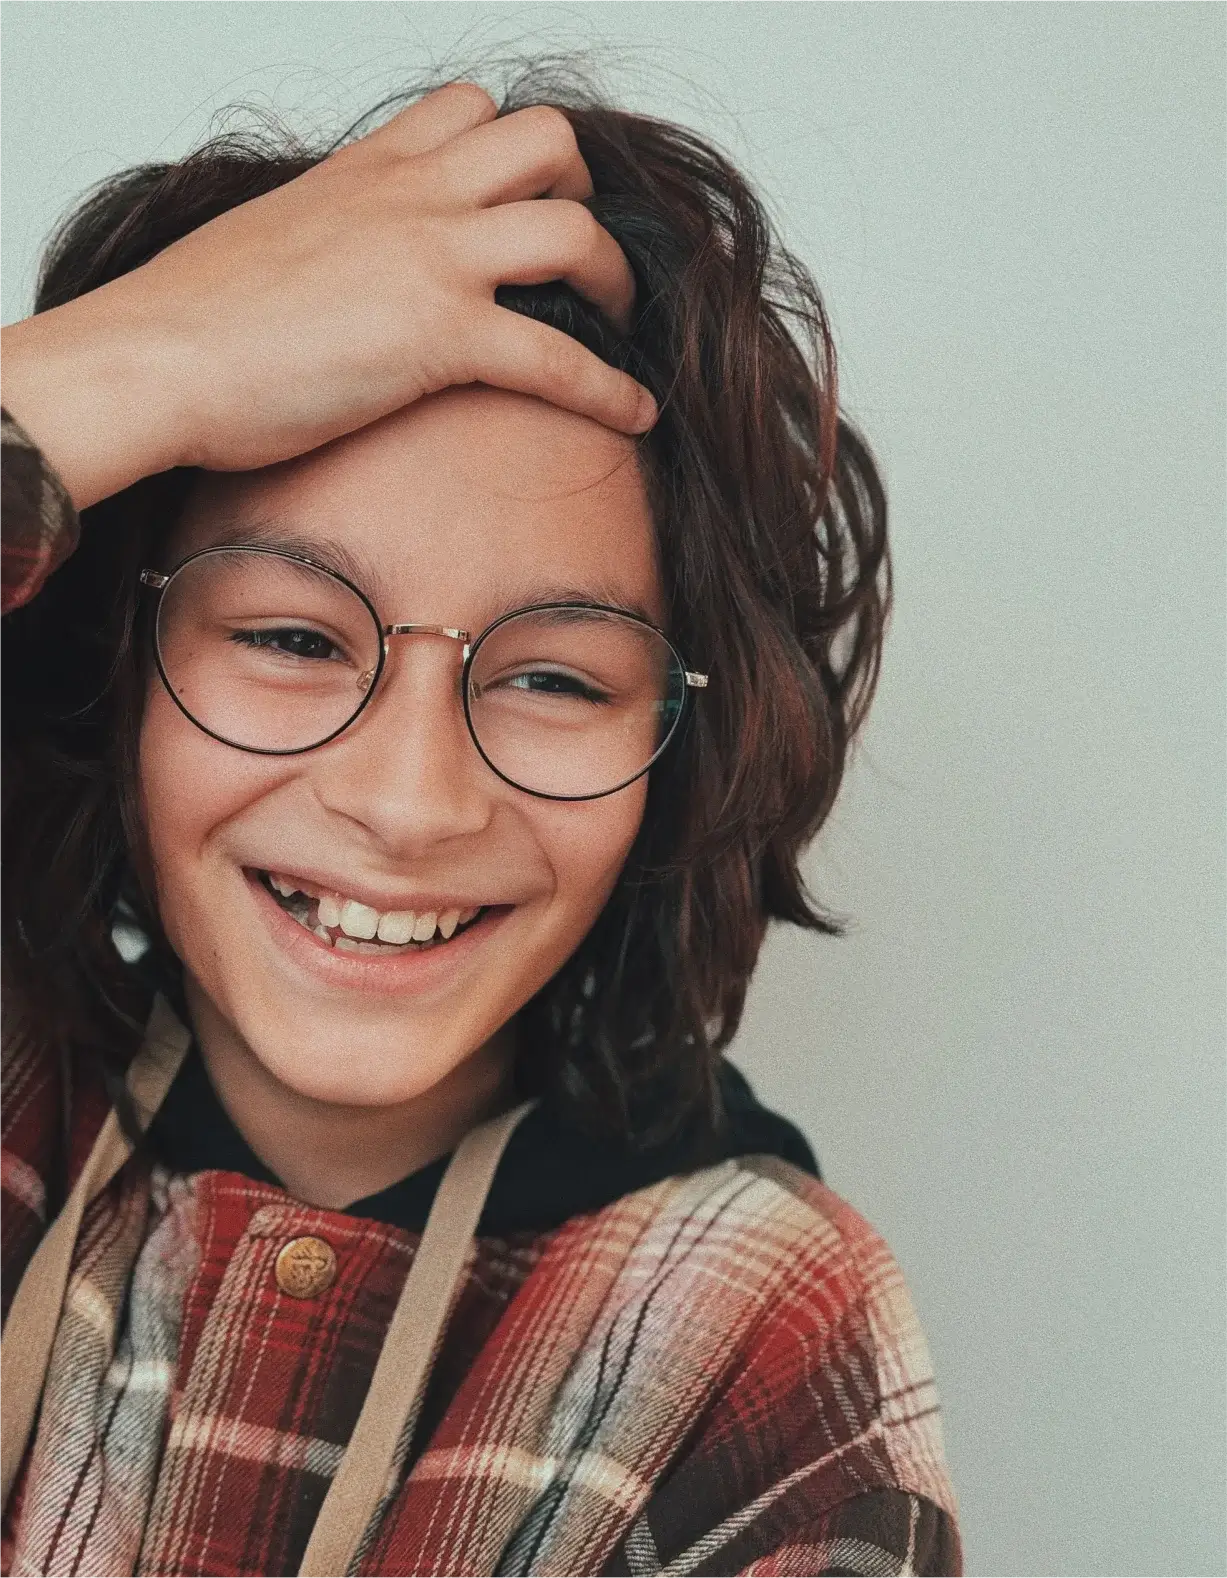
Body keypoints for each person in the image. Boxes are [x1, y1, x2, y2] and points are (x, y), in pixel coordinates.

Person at [0, 64, 961, 1578]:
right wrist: (132, 367)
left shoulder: (745, 1318)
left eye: (555, 677)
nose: (407, 800)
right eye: (294, 638)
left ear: (681, 749)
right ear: (113, 671)